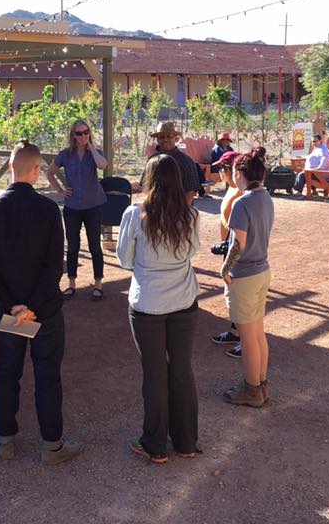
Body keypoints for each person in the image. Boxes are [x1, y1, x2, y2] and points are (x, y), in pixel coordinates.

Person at [0, 140, 85, 466]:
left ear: (11, 168)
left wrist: (11, 305)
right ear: (37, 170)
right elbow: (55, 264)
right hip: (45, 311)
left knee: (7, 372)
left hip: (9, 311)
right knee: (47, 375)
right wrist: (33, 305)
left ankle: (5, 439)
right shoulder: (49, 209)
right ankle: (52, 444)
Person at [117, 155, 201, 464]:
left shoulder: (134, 214)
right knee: (181, 369)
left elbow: (125, 259)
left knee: (155, 375)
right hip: (183, 300)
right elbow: (192, 251)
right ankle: (186, 441)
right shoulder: (190, 215)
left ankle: (155, 443)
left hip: (148, 303)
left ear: (148, 179)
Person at [221, 147, 275, 407]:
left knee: (247, 337)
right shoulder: (265, 197)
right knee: (258, 333)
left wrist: (225, 269)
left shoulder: (242, 203)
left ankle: (252, 388)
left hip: (244, 275)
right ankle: (260, 383)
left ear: (241, 173)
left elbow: (238, 244)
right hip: (262, 270)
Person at [46, 119, 108, 301]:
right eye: (79, 133)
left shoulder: (95, 153)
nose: (83, 136)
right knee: (72, 246)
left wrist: (91, 147)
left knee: (95, 246)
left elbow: (103, 165)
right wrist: (60, 190)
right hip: (72, 206)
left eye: (86, 132)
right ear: (73, 135)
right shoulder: (65, 154)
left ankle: (98, 284)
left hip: (93, 205)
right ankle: (72, 284)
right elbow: (50, 172)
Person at [210, 150, 244, 353]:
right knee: (231, 293)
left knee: (239, 294)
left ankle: (245, 340)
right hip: (229, 247)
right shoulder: (231, 188)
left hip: (237, 249)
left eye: (221, 169)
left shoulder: (240, 192)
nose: (219, 173)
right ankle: (235, 331)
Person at [143, 121, 200, 205]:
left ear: (175, 138)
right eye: (162, 137)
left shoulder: (185, 161)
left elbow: (190, 192)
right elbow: (146, 187)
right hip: (156, 209)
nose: (165, 140)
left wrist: (182, 213)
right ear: (157, 139)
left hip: (179, 208)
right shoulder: (152, 161)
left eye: (169, 136)